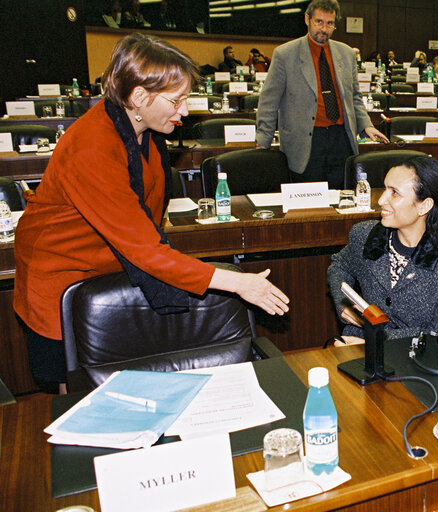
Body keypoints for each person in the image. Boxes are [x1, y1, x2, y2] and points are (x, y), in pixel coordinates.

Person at [13, 33, 289, 394]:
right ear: (139, 97)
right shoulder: (92, 148)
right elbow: (145, 249)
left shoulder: (144, 127)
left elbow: (147, 222)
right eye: (176, 101)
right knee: (78, 391)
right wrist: (239, 283)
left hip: (113, 264)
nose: (185, 111)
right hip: (61, 271)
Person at [327, 156, 438, 343]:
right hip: (357, 347)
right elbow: (340, 265)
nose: (381, 200)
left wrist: (375, 341)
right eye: (384, 188)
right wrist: (343, 302)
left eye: (394, 193)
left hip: (419, 358)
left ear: (424, 205)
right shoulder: (366, 236)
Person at [255, 0, 389, 189]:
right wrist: (263, 140)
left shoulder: (347, 53)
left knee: (342, 199)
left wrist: (366, 125)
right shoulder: (285, 54)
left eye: (329, 23)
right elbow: (269, 101)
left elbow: (354, 97)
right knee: (309, 203)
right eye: (319, 22)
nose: (324, 29)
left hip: (341, 139)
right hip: (306, 141)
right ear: (307, 19)